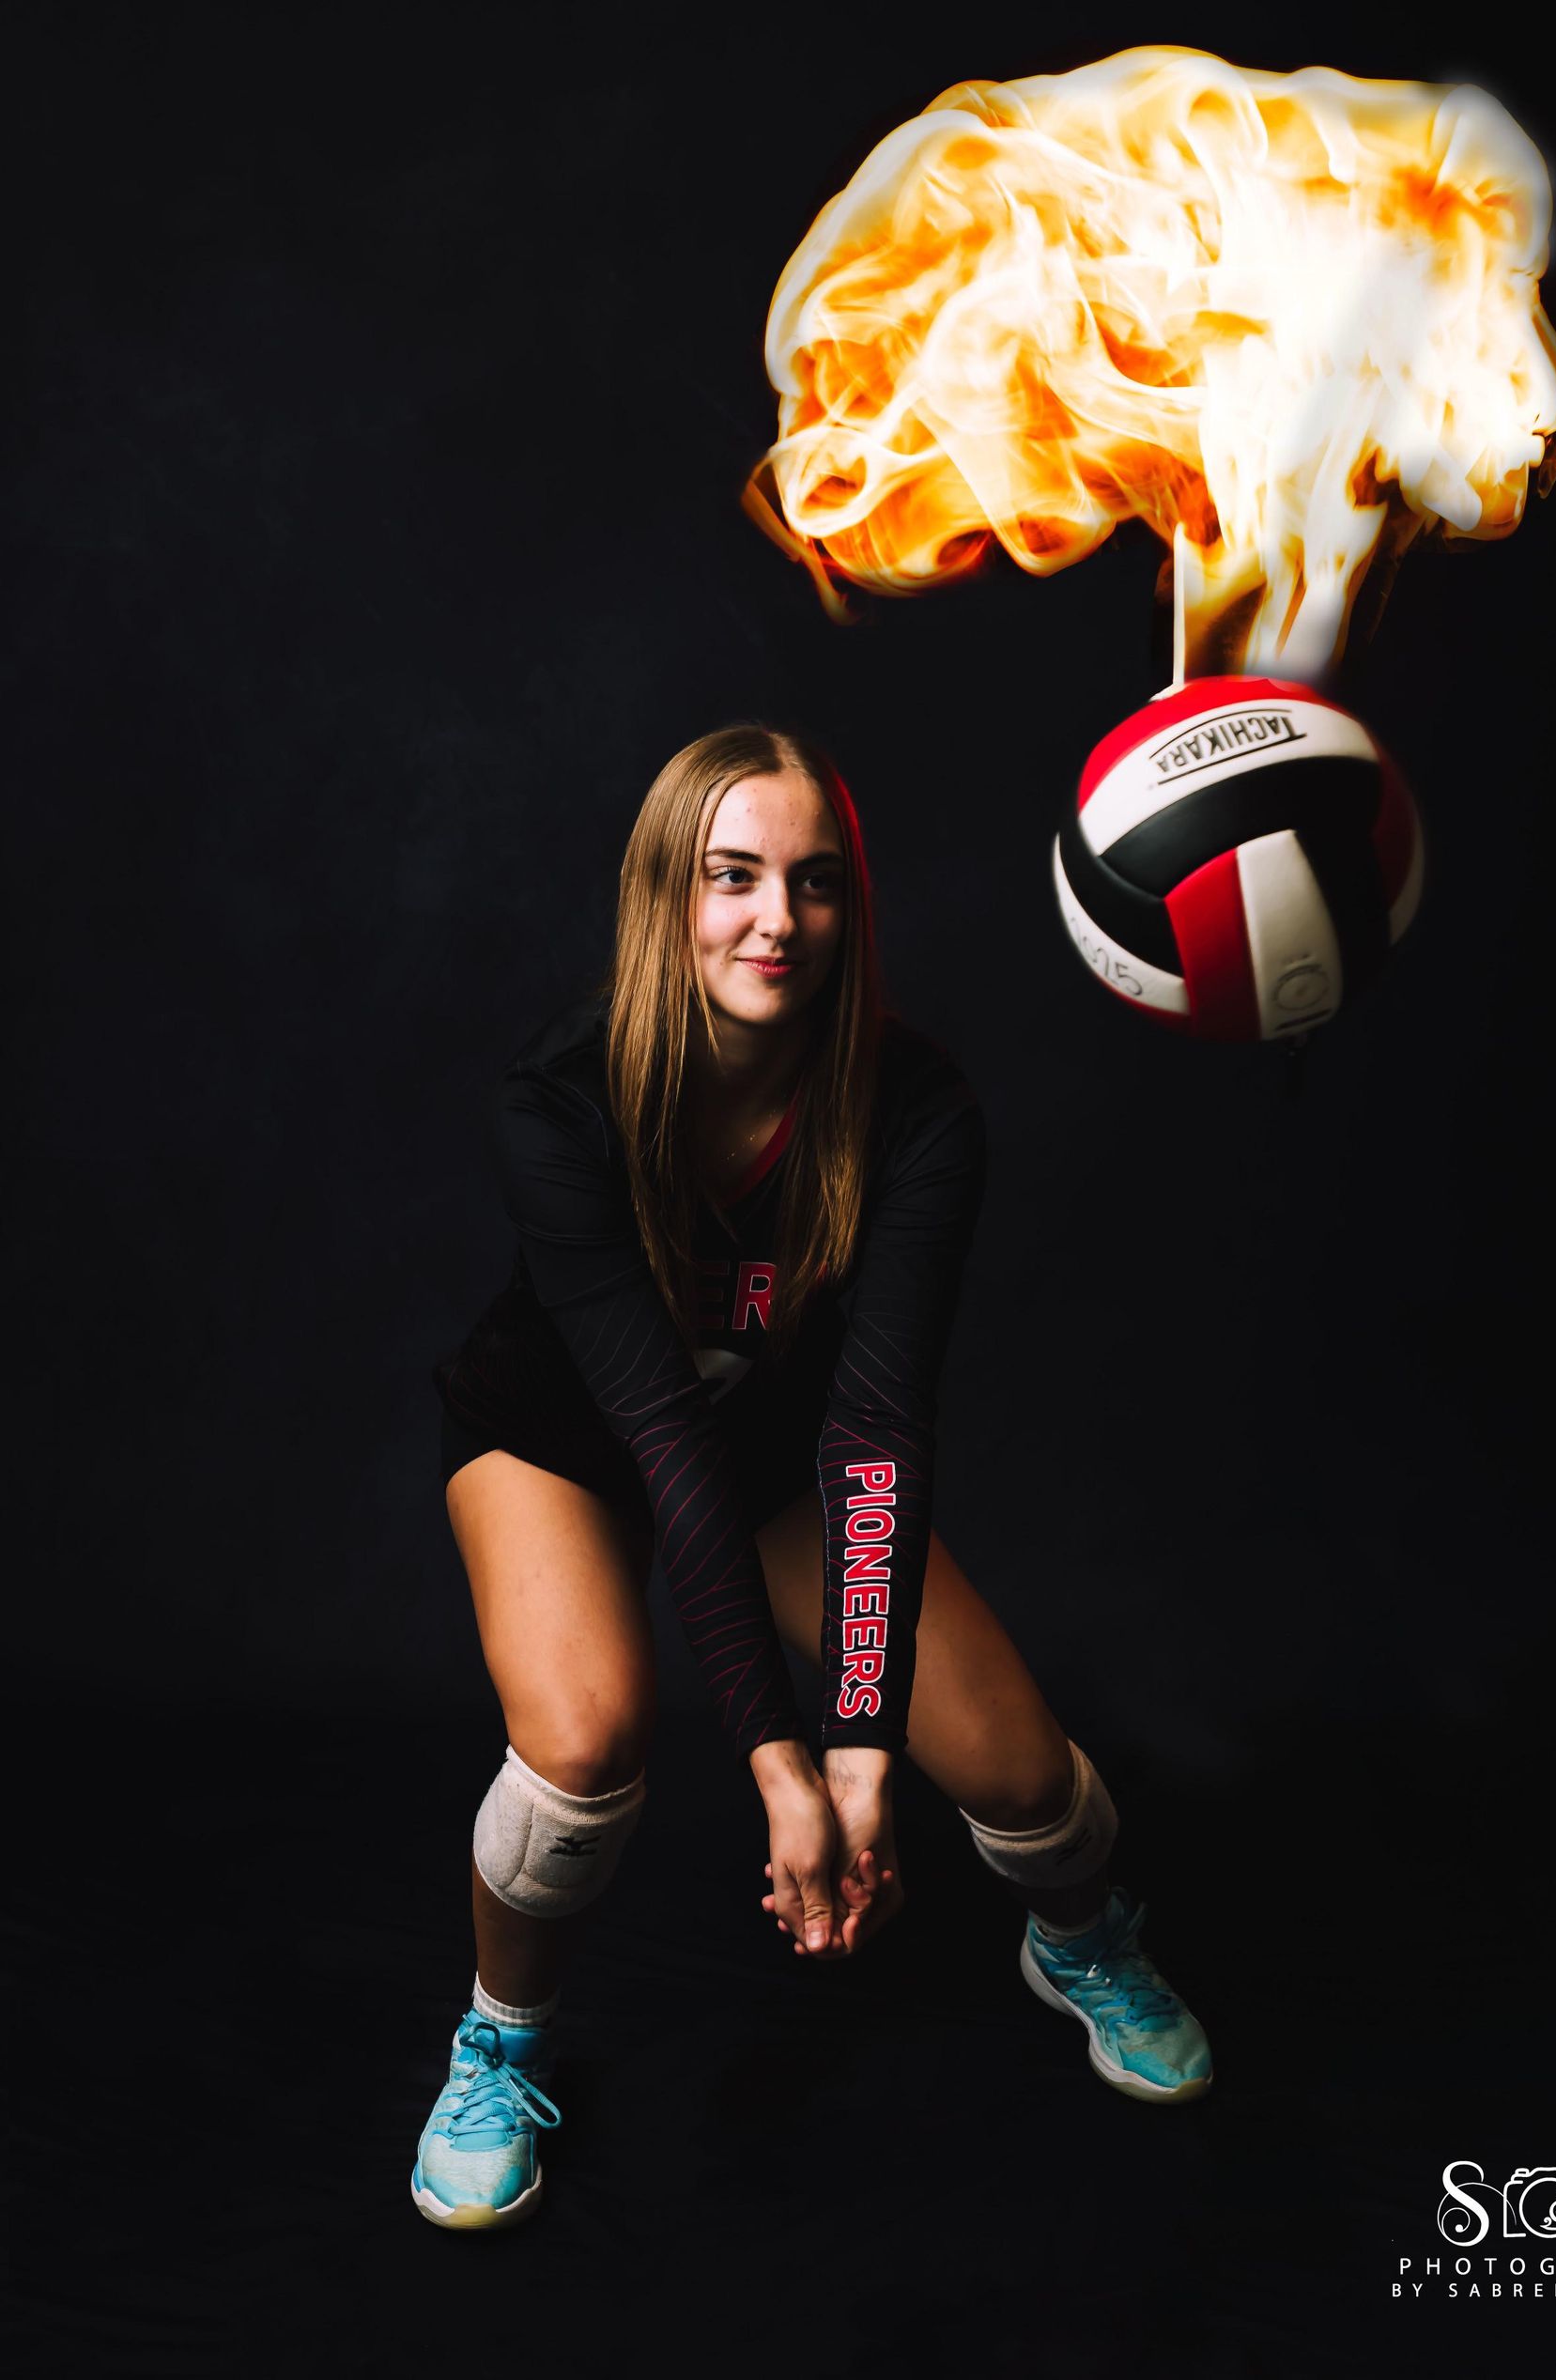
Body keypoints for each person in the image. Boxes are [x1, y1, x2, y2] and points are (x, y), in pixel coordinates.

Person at [412, 724, 1212, 2230]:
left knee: (1026, 1777)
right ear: (668, 893)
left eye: (816, 883)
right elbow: (653, 1430)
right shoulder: (559, 1103)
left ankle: (1083, 1941)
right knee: (582, 1750)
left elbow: (876, 1430)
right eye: (732, 876)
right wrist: (780, 1761)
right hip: (565, 1437)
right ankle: (498, 2036)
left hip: (785, 1452)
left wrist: (860, 1749)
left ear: (853, 909)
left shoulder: (918, 1113)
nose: (776, 918)